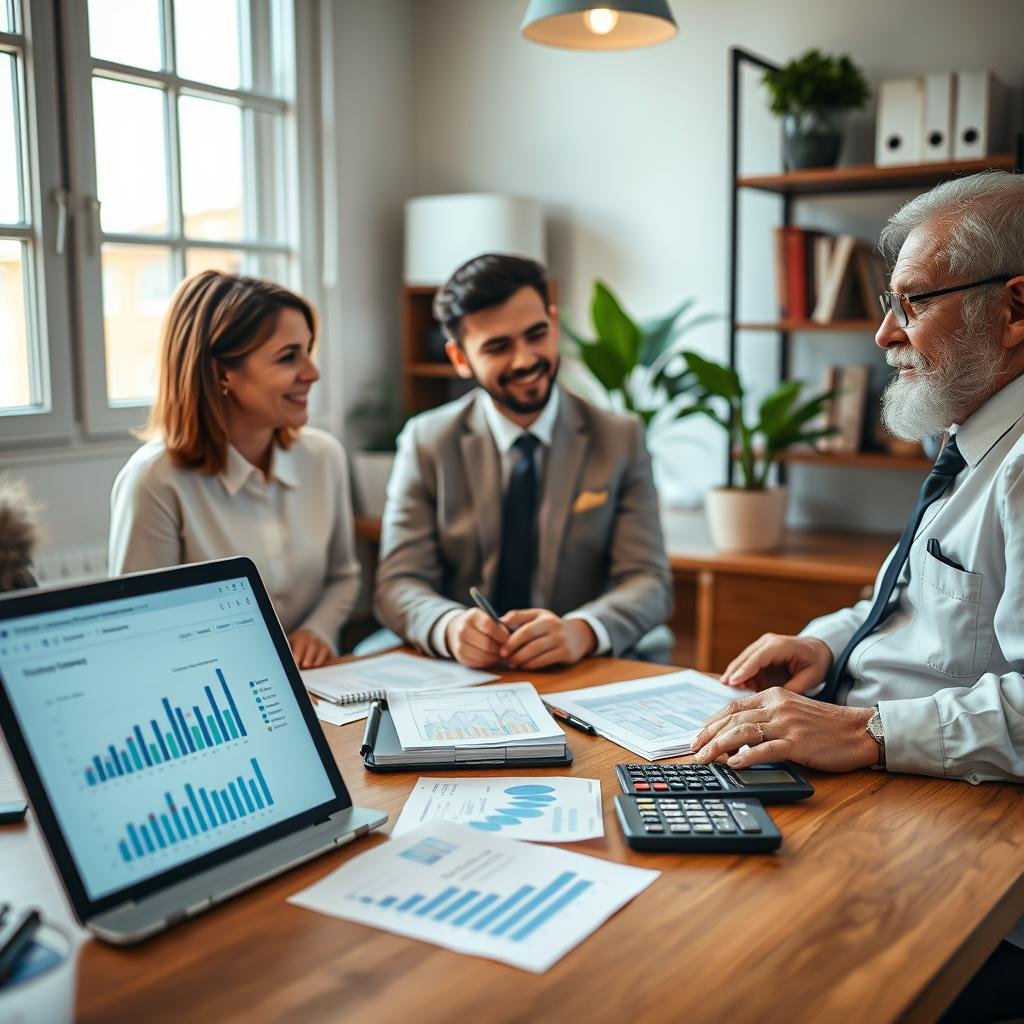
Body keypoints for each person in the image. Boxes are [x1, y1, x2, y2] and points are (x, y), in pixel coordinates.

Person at [689, 170, 1024, 1024]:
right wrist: (827, 644)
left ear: (1015, 310)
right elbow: (915, 598)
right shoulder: (973, 440)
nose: (883, 333)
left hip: (945, 838)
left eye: (912, 303)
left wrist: (867, 729)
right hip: (881, 788)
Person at [374, 253, 673, 670]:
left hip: (578, 666)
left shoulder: (619, 438)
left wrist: (581, 630)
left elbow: (648, 581)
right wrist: (449, 626)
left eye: (536, 335)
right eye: (498, 347)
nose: (525, 359)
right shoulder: (427, 440)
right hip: (462, 671)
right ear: (460, 359)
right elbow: (398, 583)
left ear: (552, 322)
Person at [109, 271, 360, 669]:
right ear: (222, 372)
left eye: (309, 350)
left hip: (316, 682)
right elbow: (141, 629)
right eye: (288, 356)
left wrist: (318, 630)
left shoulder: (324, 456)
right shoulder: (155, 481)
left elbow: (343, 576)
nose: (313, 372)